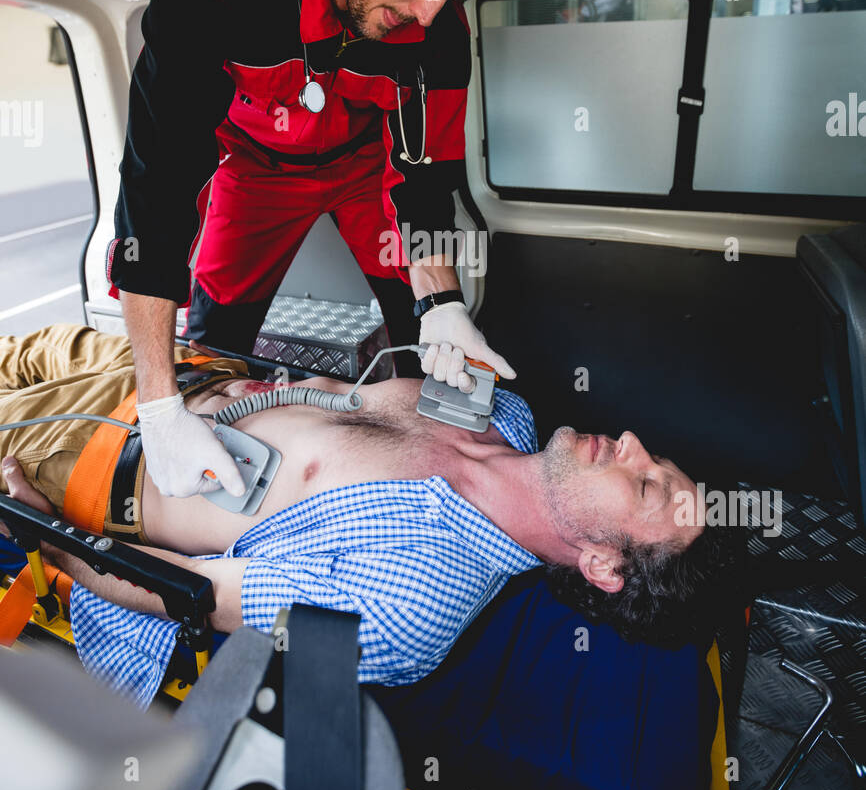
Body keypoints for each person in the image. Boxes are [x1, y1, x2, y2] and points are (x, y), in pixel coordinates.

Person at [107, 0, 533, 506]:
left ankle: (411, 469)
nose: (430, 15)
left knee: (420, 331)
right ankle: (194, 458)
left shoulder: (438, 38)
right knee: (214, 338)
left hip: (369, 175)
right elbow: (155, 189)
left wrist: (444, 302)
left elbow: (423, 186)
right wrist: (156, 404)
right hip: (255, 174)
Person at [0, 324, 729, 709]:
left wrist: (48, 539)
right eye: (655, 458)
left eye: (645, 487)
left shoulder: (414, 602)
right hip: (166, 370)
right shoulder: (505, 409)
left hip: (92, 457)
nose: (634, 447)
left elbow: (190, 590)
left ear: (603, 565)